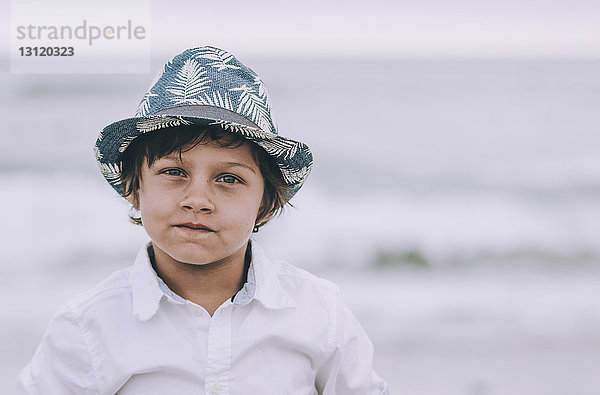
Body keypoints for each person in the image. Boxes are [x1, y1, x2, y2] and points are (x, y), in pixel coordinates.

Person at [17, 46, 389, 394]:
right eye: (174, 172)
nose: (198, 200)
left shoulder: (320, 314)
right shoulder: (87, 326)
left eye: (229, 179)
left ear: (264, 202)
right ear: (135, 187)